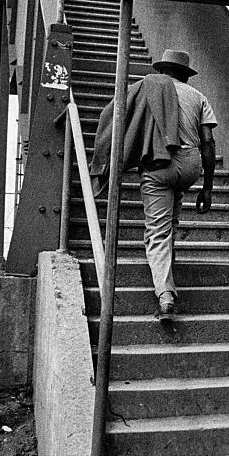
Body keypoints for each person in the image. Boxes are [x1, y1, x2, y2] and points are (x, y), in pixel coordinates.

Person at [90, 49, 217, 318]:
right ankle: (167, 270)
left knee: (157, 231)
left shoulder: (146, 88)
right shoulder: (198, 97)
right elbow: (208, 142)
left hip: (160, 164)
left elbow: (113, 116)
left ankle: (166, 295)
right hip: (191, 165)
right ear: (186, 75)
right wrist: (207, 186)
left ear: (161, 71)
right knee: (171, 220)